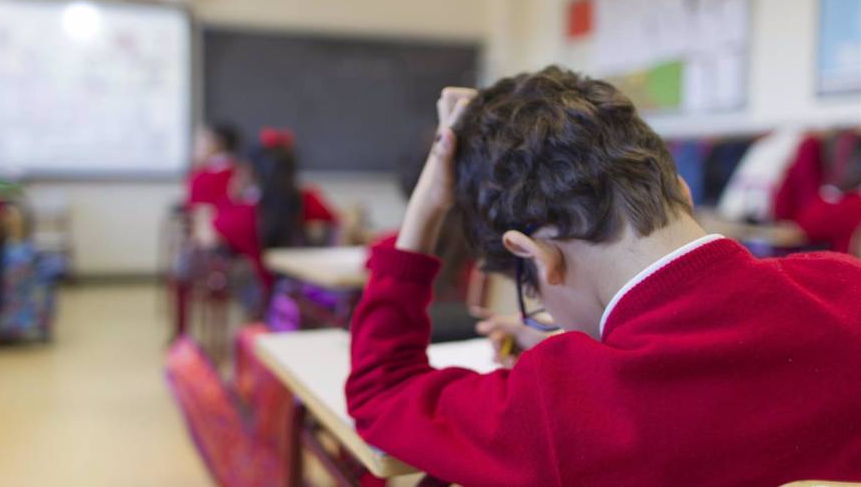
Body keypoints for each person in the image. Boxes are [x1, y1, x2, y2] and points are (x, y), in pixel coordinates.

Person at [345, 67, 861, 485]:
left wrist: (425, 209)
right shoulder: (844, 284)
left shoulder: (565, 408)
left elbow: (381, 391)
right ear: (679, 189)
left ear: (537, 257)